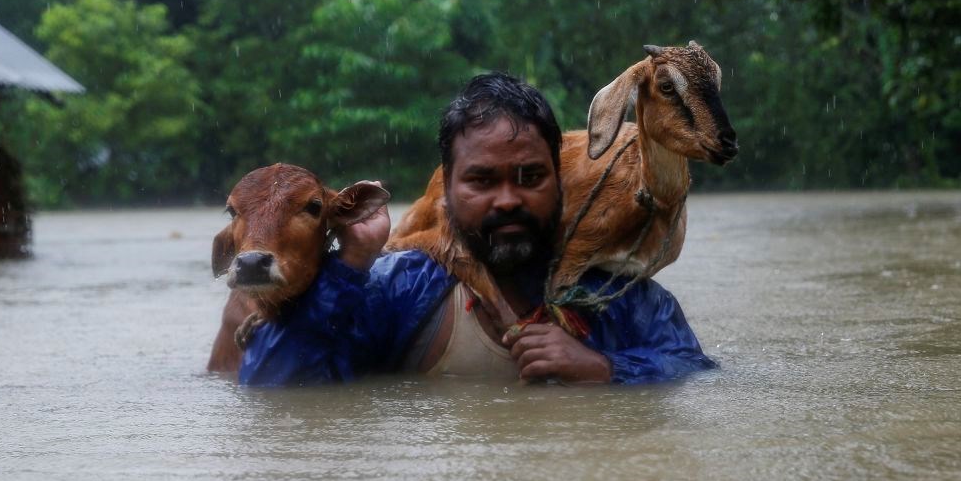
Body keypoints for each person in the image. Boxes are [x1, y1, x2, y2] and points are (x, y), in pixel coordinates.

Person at [239, 73, 716, 386]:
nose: (508, 199)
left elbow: (701, 376)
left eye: (531, 177)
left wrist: (605, 368)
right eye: (482, 180)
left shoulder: (621, 298)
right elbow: (275, 388)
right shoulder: (400, 288)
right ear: (447, 191)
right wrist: (350, 264)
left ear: (559, 182)